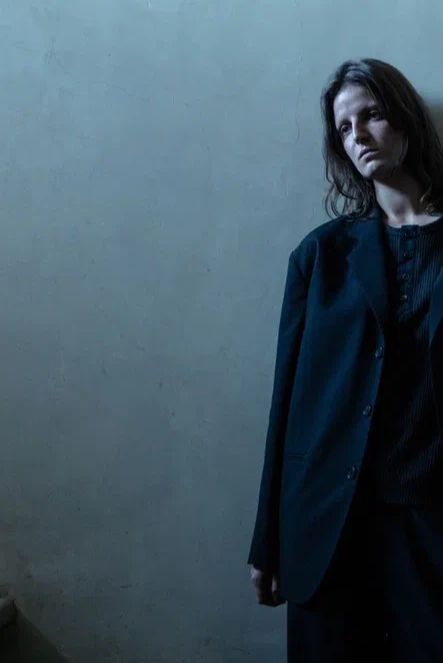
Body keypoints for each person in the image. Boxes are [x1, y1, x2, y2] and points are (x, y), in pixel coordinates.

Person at [248, 58, 443, 662]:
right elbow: (288, 405)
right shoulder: (320, 256)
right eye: (343, 126)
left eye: (372, 115)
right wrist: (268, 540)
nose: (357, 134)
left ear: (406, 120)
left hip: (431, 518)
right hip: (329, 523)